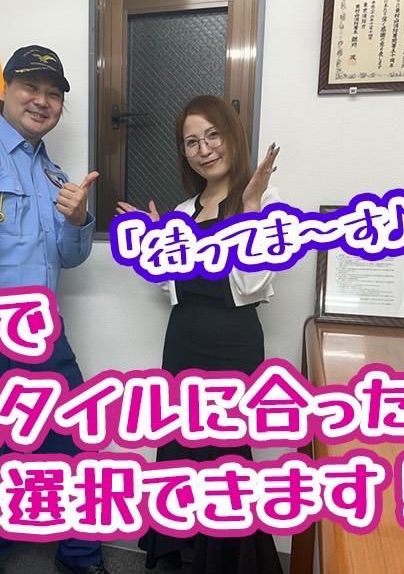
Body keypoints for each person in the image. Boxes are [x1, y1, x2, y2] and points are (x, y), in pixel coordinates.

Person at [0, 45, 110, 574]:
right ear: (5, 90)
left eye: (53, 94)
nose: (42, 101)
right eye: (30, 87)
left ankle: (79, 558)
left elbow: (68, 258)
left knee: (76, 446)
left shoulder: (54, 174)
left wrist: (78, 220)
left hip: (44, 333)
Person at [117, 95, 284, 574]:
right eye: (192, 142)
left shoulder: (267, 202)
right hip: (183, 340)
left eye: (213, 135)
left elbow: (253, 285)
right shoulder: (184, 210)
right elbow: (172, 286)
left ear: (232, 136)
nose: (204, 149)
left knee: (226, 459)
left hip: (232, 344)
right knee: (181, 449)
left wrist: (249, 207)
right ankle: (184, 553)